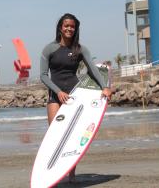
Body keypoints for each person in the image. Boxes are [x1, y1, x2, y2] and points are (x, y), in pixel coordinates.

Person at [40, 13, 112, 183]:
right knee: (55, 134)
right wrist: (58, 92)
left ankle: (71, 174)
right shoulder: (49, 49)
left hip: (75, 95)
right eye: (66, 26)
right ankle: (54, 169)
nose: (69, 29)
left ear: (76, 28)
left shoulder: (80, 49)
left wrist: (105, 87)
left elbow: (93, 70)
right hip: (56, 95)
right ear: (60, 27)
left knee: (72, 135)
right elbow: (43, 76)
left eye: (72, 26)